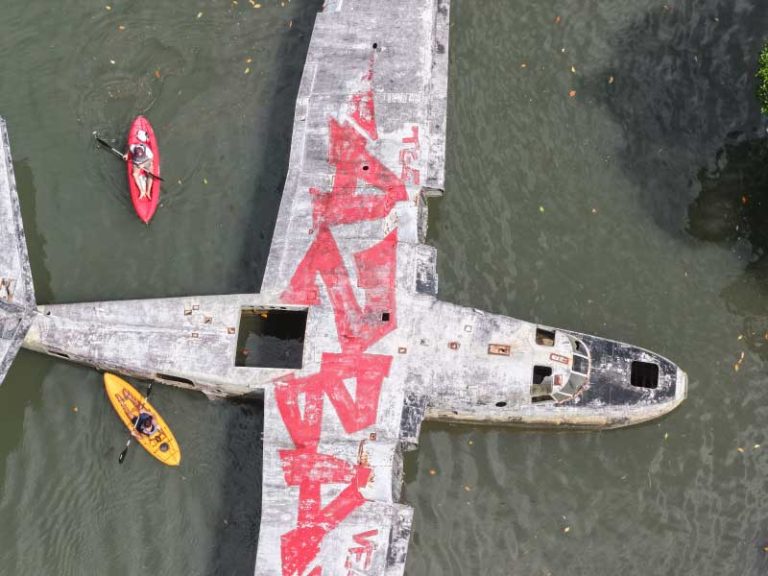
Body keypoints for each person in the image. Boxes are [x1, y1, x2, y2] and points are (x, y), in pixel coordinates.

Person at [123, 129, 154, 200]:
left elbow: (151, 159)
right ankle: (142, 191)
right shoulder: (133, 147)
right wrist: (126, 154)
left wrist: (143, 164)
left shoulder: (148, 152)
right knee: (134, 174)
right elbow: (129, 146)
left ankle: (148, 191)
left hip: (146, 161)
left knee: (151, 174)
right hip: (137, 162)